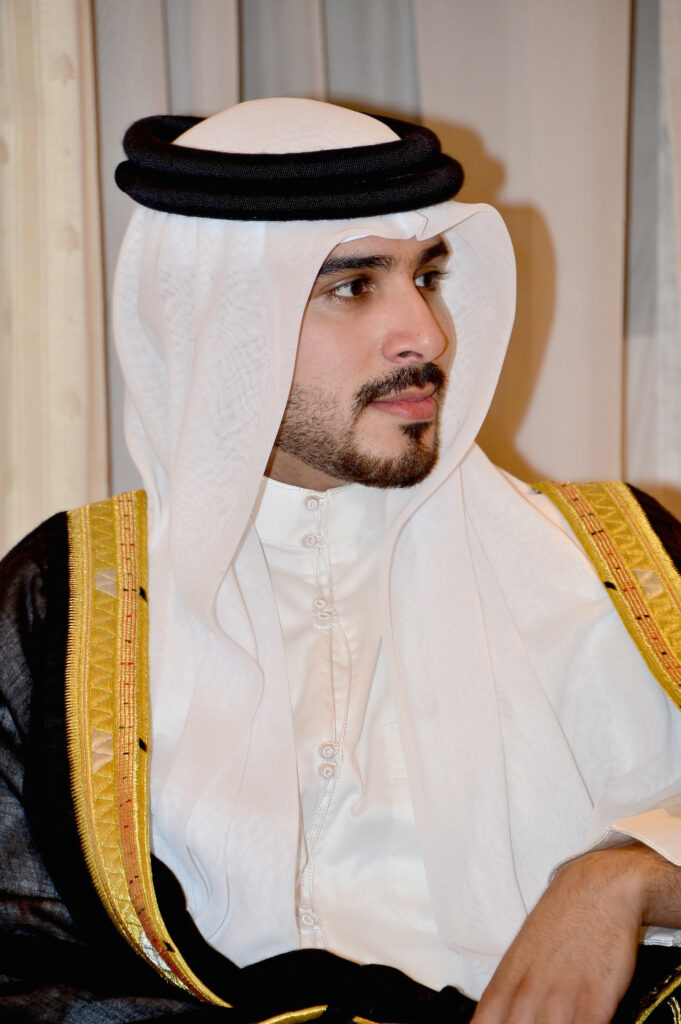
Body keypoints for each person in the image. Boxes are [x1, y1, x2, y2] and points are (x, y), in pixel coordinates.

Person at [2, 97, 681, 1024]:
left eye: (427, 275)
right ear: (217, 320)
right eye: (353, 287)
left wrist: (626, 877)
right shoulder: (72, 608)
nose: (428, 335)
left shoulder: (618, 561)